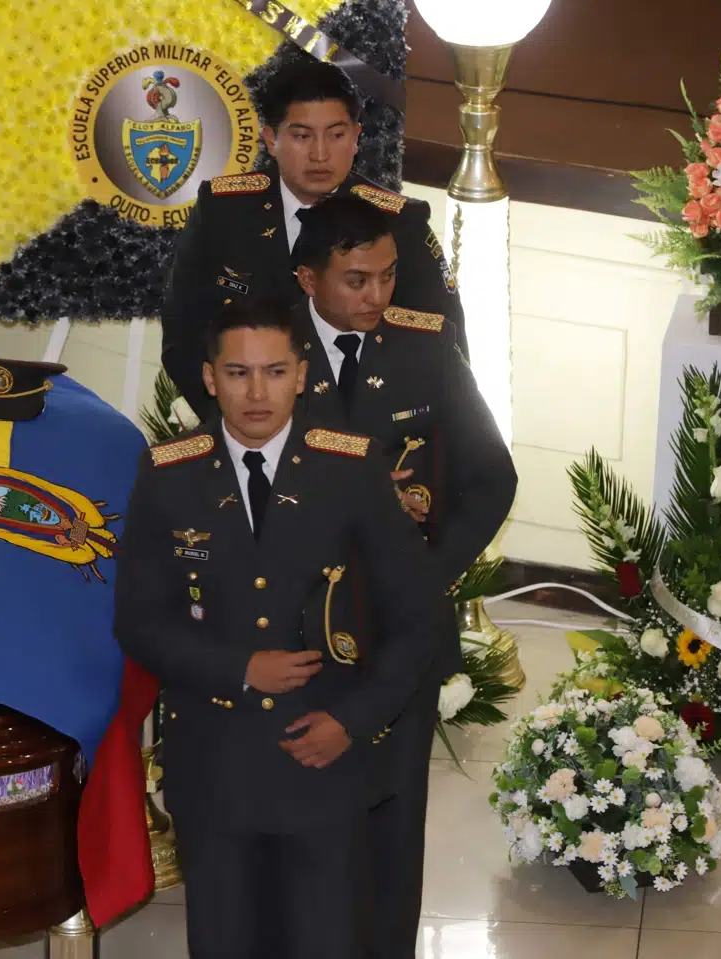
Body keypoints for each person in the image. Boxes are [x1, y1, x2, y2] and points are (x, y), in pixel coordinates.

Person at [114, 296, 445, 957]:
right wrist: (239, 668)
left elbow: (420, 619)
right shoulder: (168, 473)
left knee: (325, 939)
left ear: (301, 374)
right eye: (237, 373)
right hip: (217, 763)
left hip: (325, 759)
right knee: (224, 940)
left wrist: (351, 722)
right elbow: (138, 620)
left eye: (273, 371)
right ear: (210, 378)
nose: (256, 392)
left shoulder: (350, 469)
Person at [291, 192, 517, 958]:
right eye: (357, 279)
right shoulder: (260, 352)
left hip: (399, 635)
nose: (379, 297)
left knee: (392, 825)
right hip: (293, 631)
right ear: (308, 280)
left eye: (388, 276)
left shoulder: (423, 350)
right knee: (298, 820)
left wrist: (427, 573)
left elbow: (491, 477)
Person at [161, 58, 463, 421]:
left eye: (336, 135)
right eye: (302, 136)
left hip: (369, 444)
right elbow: (184, 337)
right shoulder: (224, 212)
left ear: (356, 138)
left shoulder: (399, 223)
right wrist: (247, 432)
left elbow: (443, 351)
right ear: (270, 139)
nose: (320, 154)